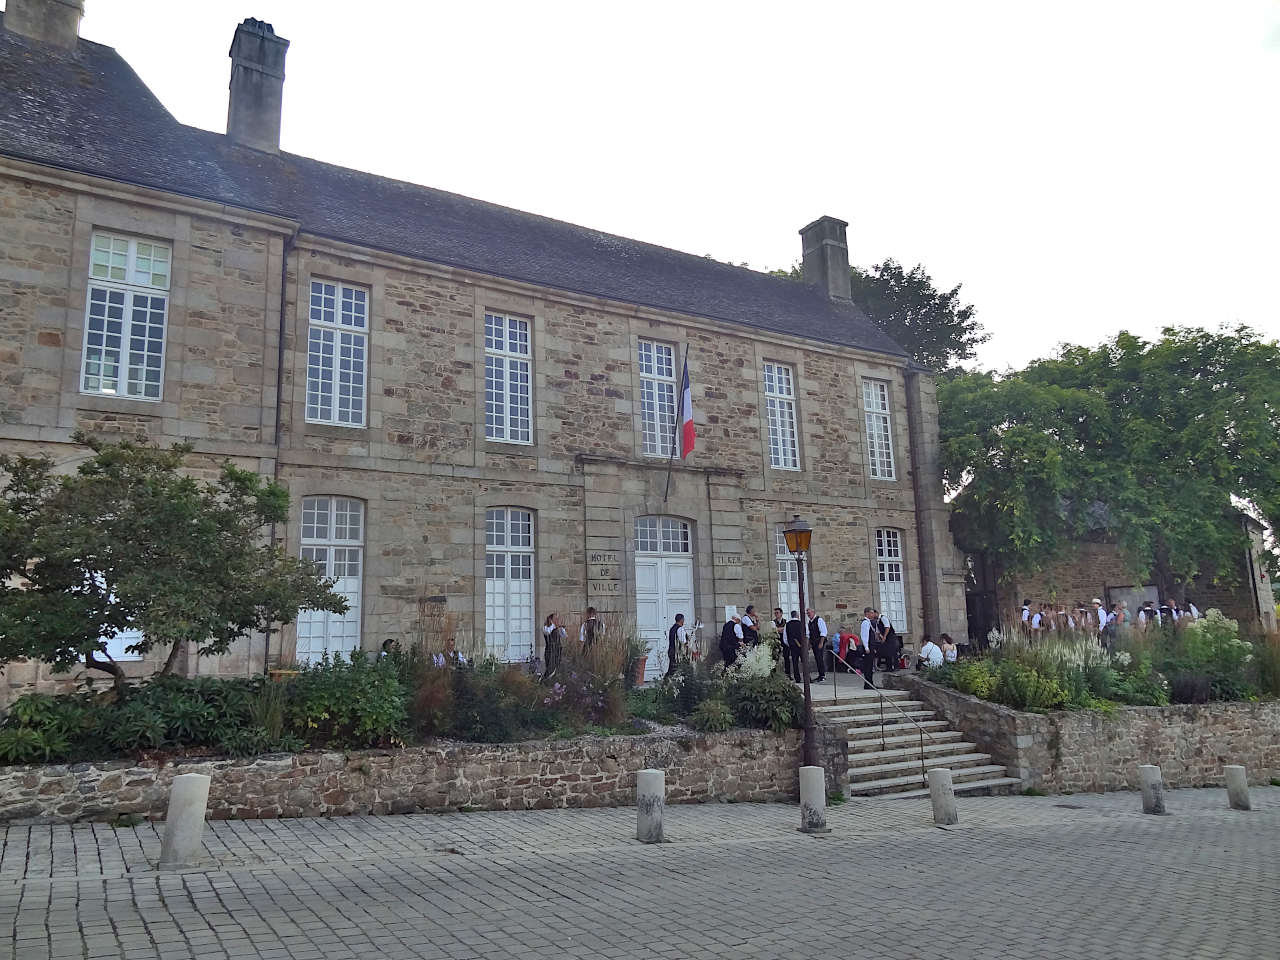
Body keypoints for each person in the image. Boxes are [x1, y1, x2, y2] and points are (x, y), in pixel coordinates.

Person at [806, 607, 828, 682]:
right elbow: (810, 634)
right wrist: (809, 644)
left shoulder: (819, 620)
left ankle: (822, 675)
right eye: (807, 613)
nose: (808, 614)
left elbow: (823, 632)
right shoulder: (810, 622)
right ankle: (820, 674)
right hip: (814, 643)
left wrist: (821, 643)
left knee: (819, 658)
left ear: (813, 612)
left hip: (819, 642)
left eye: (809, 613)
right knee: (817, 658)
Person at [542, 613, 565, 681]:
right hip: (550, 650)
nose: (557, 620)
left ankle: (554, 683)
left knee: (557, 667)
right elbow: (548, 632)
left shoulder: (557, 628)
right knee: (550, 668)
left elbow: (564, 636)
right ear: (550, 619)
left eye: (558, 619)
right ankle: (544, 682)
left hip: (557, 650)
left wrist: (561, 628)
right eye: (555, 618)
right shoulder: (546, 627)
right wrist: (553, 625)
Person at [785, 610, 805, 682]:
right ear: (797, 615)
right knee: (804, 662)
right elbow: (807, 634)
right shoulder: (801, 624)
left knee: (795, 662)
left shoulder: (787, 624)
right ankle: (807, 677)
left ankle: (797, 678)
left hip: (793, 646)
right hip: (802, 646)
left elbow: (785, 638)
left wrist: (790, 644)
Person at [666, 613, 687, 679]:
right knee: (675, 670)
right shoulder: (680, 629)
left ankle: (666, 683)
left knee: (672, 669)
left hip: (671, 651)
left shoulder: (672, 628)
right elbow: (683, 642)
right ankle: (666, 683)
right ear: (681, 620)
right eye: (683, 619)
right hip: (678, 653)